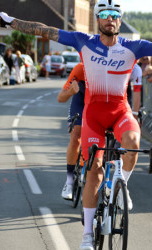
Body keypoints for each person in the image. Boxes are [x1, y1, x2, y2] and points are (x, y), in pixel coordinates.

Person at [0, 1, 152, 248]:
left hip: (120, 111)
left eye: (115, 15)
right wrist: (11, 20)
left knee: (133, 142)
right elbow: (44, 30)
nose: (111, 19)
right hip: (93, 114)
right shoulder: (82, 40)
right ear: (98, 19)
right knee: (94, 170)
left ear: (120, 19)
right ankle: (87, 235)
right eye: (105, 14)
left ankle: (122, 183)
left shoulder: (133, 47)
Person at [57, 62, 86, 200]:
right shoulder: (80, 68)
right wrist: (71, 91)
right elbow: (60, 98)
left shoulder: (111, 66)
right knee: (76, 136)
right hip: (80, 102)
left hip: (99, 105)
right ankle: (69, 181)